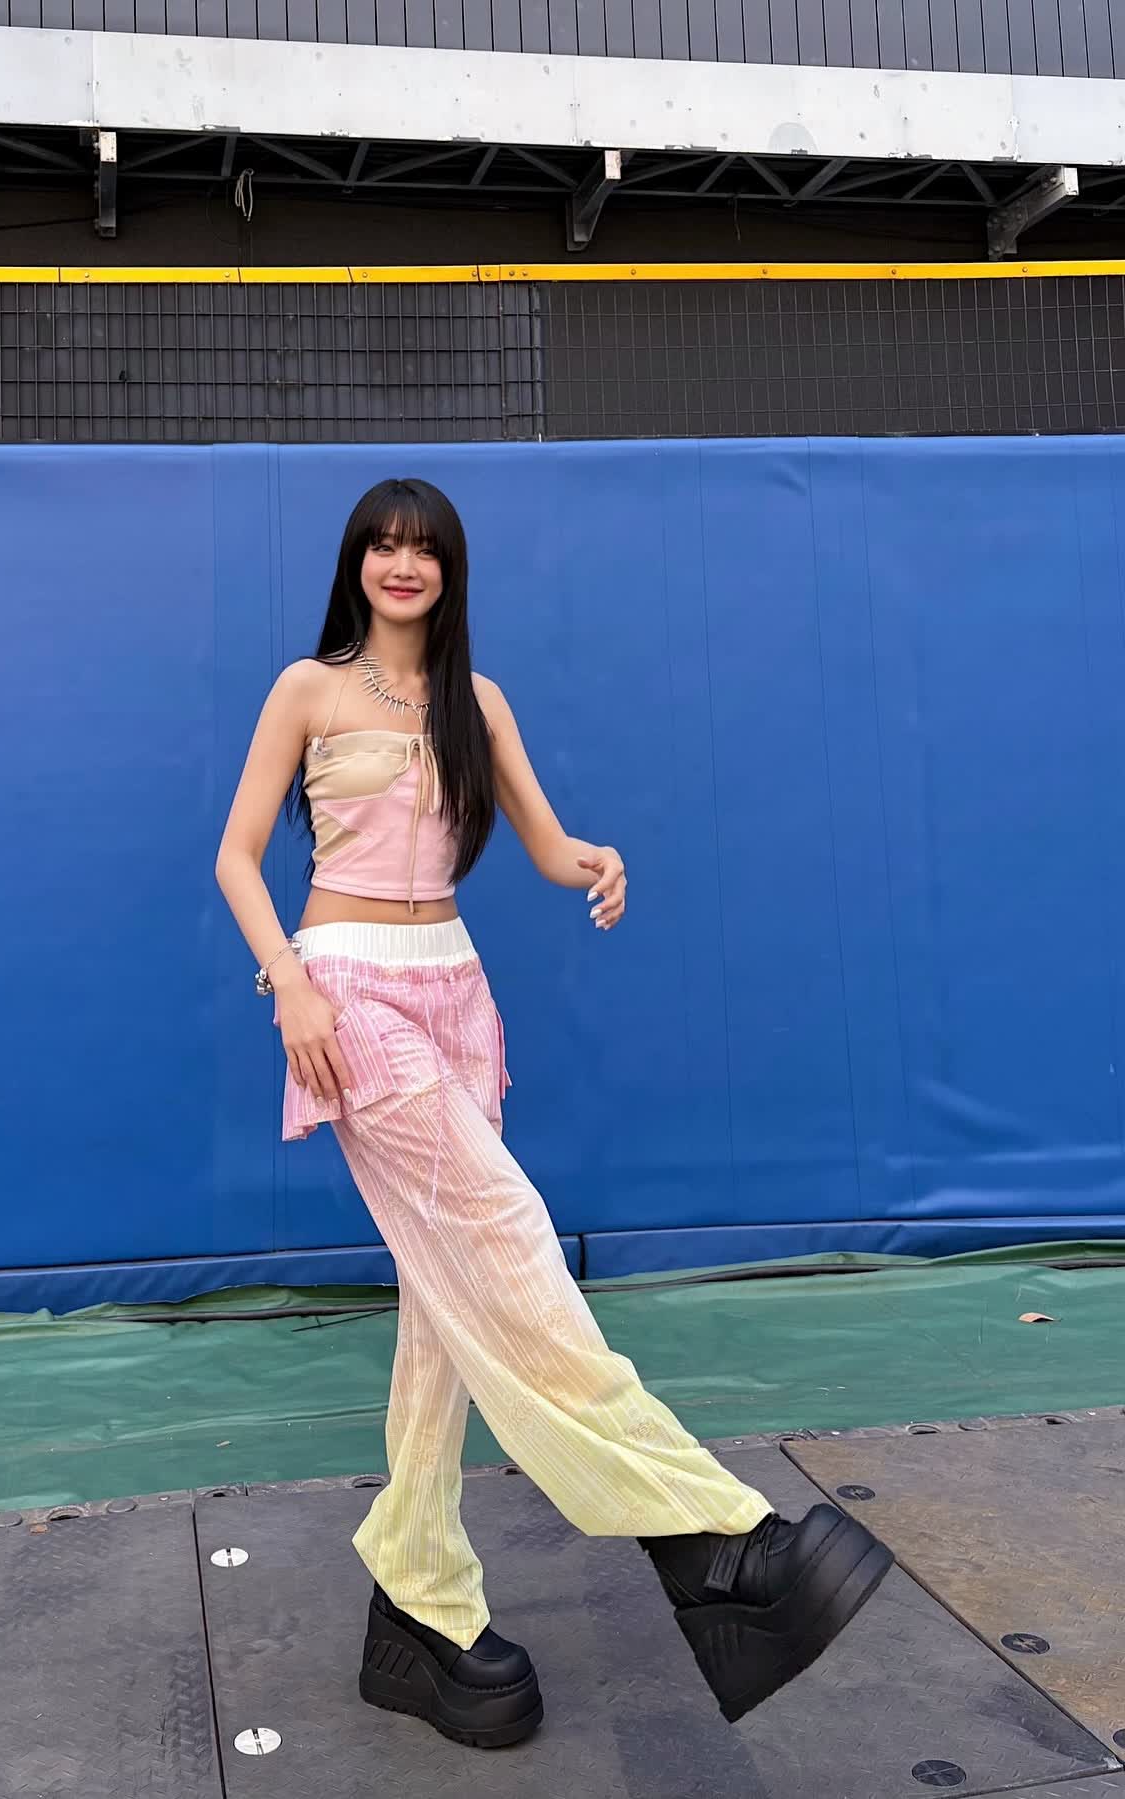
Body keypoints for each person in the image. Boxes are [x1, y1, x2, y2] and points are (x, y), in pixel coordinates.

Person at [213, 476, 893, 1749]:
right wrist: (289, 982)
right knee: (509, 1234)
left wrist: (598, 860)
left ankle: (417, 1595)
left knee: (445, 1304)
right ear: (356, 563)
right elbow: (236, 855)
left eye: (423, 548)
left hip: (456, 989)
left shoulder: (477, 702)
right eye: (382, 545)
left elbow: (545, 842)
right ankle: (710, 1533)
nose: (402, 564)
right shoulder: (308, 688)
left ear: (449, 569)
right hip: (346, 984)